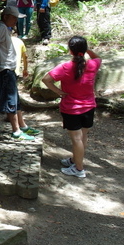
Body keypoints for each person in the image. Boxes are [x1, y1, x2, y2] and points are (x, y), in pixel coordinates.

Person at [42, 36, 101, 178]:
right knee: (83, 136)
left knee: (76, 139)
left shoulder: (65, 67)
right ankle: (75, 160)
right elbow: (97, 57)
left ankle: (79, 169)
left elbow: (46, 79)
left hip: (72, 108)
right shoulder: (93, 64)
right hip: (89, 106)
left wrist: (58, 92)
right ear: (84, 49)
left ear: (70, 50)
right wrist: (86, 49)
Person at [0, 6, 40, 141]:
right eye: (14, 18)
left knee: (15, 99)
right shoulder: (0, 27)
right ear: (5, 17)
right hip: (4, 70)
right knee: (10, 101)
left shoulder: (5, 28)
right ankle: (16, 131)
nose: (16, 21)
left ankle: (22, 126)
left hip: (9, 69)